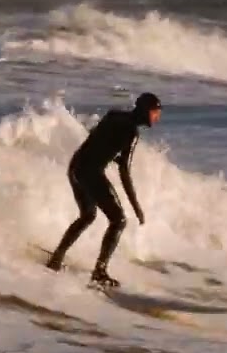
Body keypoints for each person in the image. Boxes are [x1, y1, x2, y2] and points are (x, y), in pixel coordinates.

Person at [47, 92, 162, 287]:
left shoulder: (113, 115)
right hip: (90, 173)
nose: (157, 117)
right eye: (154, 112)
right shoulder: (132, 132)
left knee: (88, 215)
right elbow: (124, 171)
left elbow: (96, 137)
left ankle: (56, 258)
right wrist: (136, 207)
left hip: (76, 166)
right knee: (119, 220)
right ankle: (100, 271)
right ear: (144, 111)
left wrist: (110, 153)